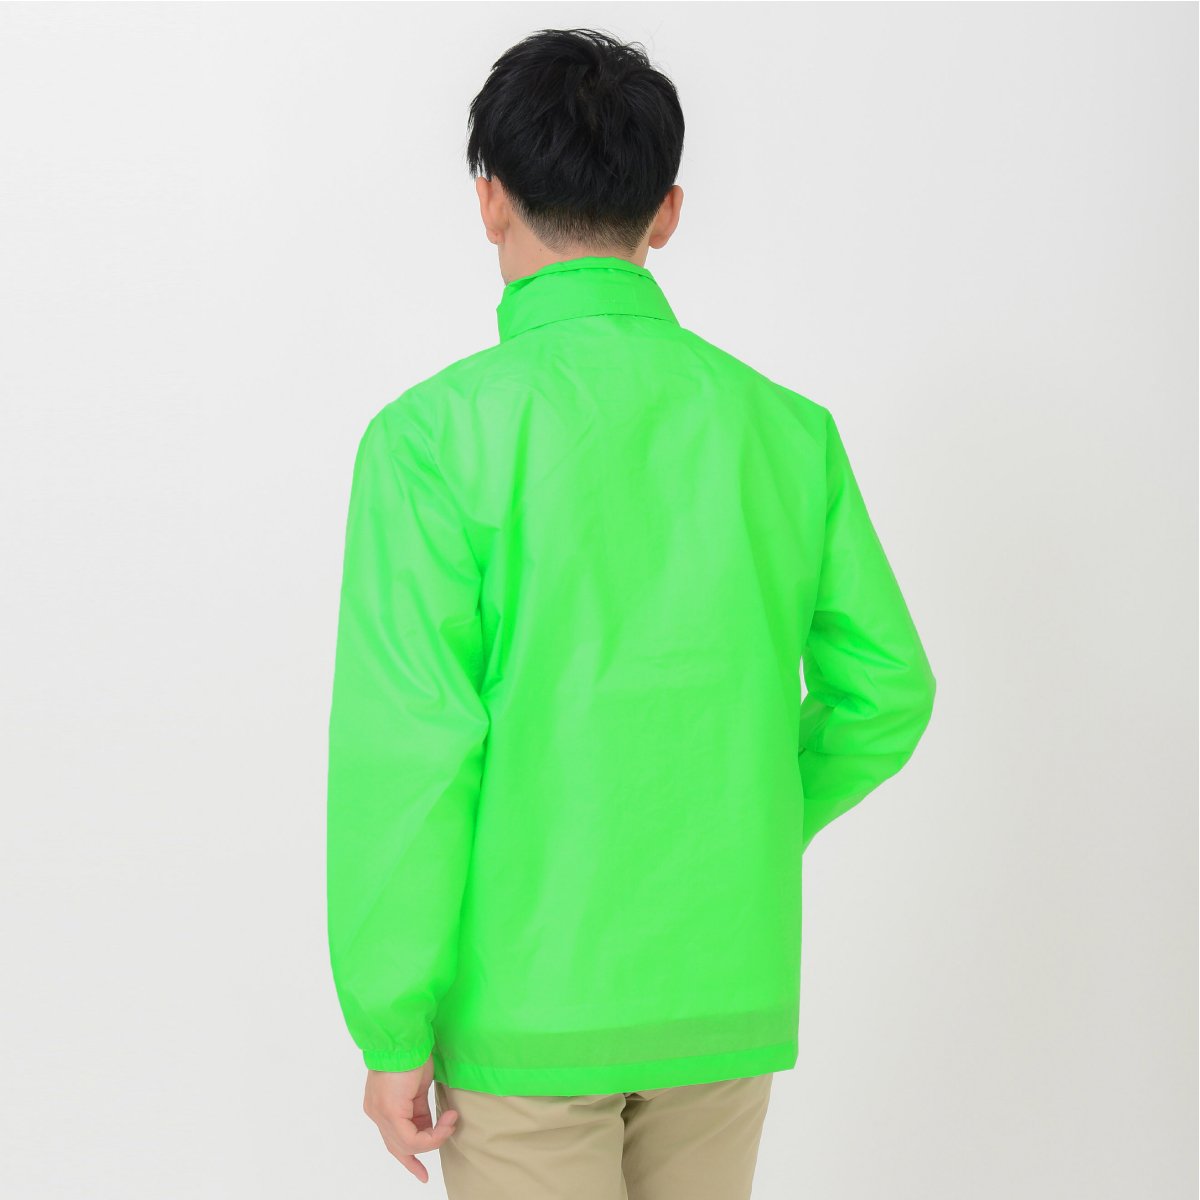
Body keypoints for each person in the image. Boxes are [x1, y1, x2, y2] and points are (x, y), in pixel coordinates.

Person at [326, 26, 936, 1199]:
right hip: (723, 990)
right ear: (667, 213)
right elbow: (887, 692)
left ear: (488, 199)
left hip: (526, 1003)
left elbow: (409, 755)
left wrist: (392, 1023)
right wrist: (749, 814)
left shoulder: (431, 440)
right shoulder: (786, 432)